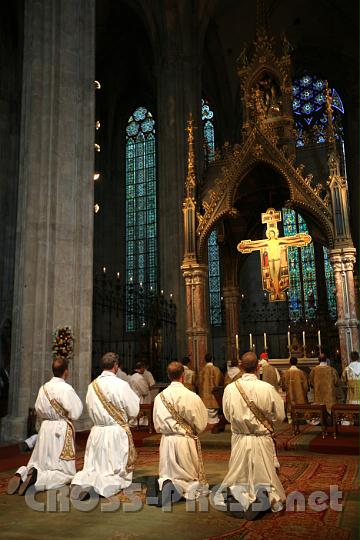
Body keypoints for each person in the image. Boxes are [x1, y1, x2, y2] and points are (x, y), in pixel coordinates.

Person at [214, 352, 285, 519]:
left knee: (240, 471)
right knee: (264, 471)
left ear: (240, 366)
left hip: (240, 438)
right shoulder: (267, 388)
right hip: (261, 438)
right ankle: (262, 495)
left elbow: (227, 414)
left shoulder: (230, 389)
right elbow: (280, 416)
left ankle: (239, 495)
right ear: (258, 367)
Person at [7, 356, 83, 495]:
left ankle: (22, 474)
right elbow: (76, 412)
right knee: (65, 473)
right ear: (66, 371)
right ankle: (37, 480)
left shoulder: (44, 388)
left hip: (46, 428)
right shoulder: (66, 388)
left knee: (41, 464)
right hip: (60, 429)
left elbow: (38, 408)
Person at [71, 352, 139, 498]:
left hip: (97, 431)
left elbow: (89, 408)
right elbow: (134, 409)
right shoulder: (121, 385)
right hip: (115, 432)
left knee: (93, 468)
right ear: (115, 366)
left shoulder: (92, 386)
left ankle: (81, 481)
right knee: (113, 473)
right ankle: (98, 487)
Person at [152, 361, 208, 504]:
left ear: (168, 376)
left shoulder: (160, 397)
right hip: (185, 440)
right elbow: (201, 422)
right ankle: (182, 487)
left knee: (168, 472)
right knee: (189, 478)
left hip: (168, 440)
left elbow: (156, 423)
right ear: (183, 376)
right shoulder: (191, 396)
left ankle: (168, 484)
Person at [199, 353, 224, 426]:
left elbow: (199, 383)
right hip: (214, 396)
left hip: (204, 396)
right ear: (212, 359)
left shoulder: (202, 370)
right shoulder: (216, 369)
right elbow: (220, 381)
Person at [129, 361, 151, 425]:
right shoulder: (139, 378)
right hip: (139, 398)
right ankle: (141, 422)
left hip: (133, 397)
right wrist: (147, 387)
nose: (144, 370)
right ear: (141, 368)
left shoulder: (132, 376)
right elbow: (145, 391)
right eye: (143, 368)